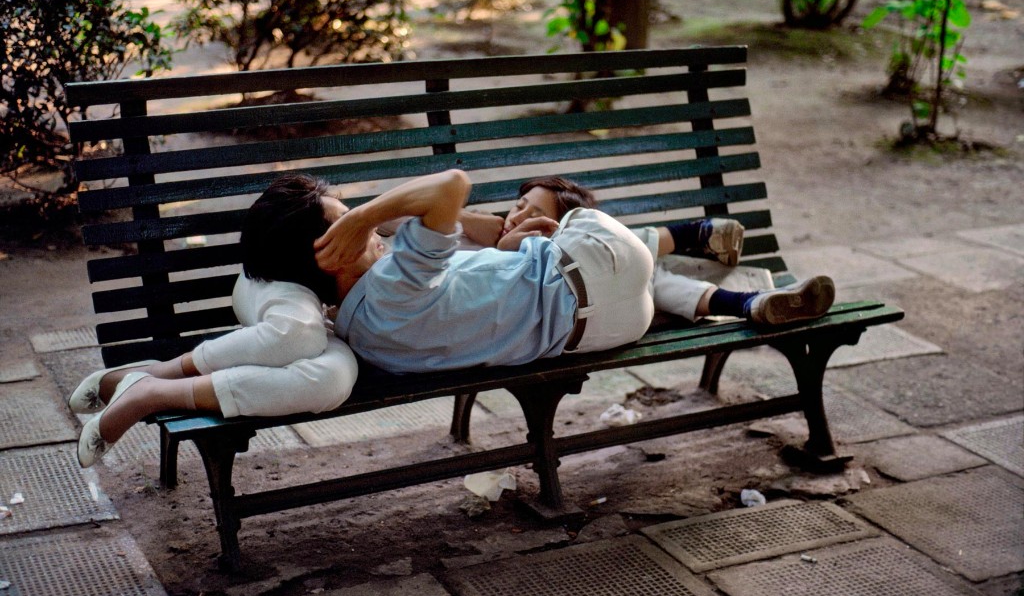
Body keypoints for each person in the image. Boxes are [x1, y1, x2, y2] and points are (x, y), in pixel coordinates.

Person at [312, 169, 835, 374]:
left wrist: (511, 246)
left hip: (602, 331)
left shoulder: (362, 331)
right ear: (329, 255)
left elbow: (479, 269)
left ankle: (745, 302)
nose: (372, 236)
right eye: (353, 234)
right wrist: (364, 215)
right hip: (600, 280)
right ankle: (697, 237)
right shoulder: (395, 283)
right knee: (617, 247)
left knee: (641, 271)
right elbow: (452, 185)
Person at [74, 175, 359, 468]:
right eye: (346, 220)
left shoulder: (383, 239)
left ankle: (153, 390)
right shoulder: (301, 276)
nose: (362, 225)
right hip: (272, 285)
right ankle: (163, 372)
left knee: (333, 378)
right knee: (301, 334)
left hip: (308, 312)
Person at [457, 175, 800, 324]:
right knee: (646, 274)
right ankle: (693, 237)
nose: (517, 217)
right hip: (569, 318)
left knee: (649, 276)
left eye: (535, 215)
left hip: (605, 300)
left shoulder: (552, 245)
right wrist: (483, 224)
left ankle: (749, 303)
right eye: (518, 206)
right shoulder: (479, 235)